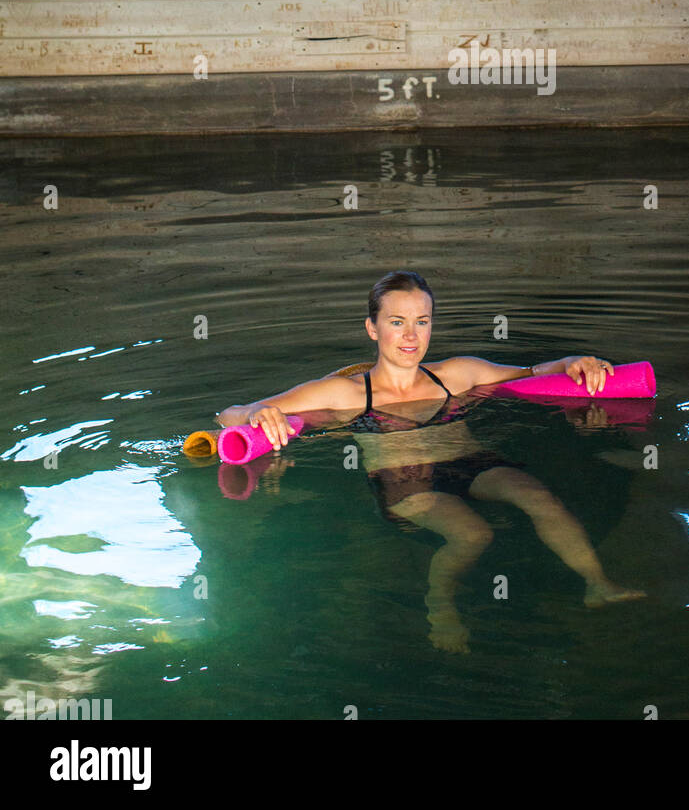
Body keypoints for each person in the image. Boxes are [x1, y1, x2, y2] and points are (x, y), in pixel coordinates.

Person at [216, 270, 645, 651]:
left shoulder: (457, 374)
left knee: (538, 496)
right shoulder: (345, 393)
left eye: (421, 322)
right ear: (372, 328)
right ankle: (440, 606)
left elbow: (533, 375)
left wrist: (571, 363)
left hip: (470, 461)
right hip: (404, 481)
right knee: (473, 534)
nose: (410, 336)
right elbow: (229, 414)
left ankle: (597, 584)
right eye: (396, 322)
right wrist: (259, 413)